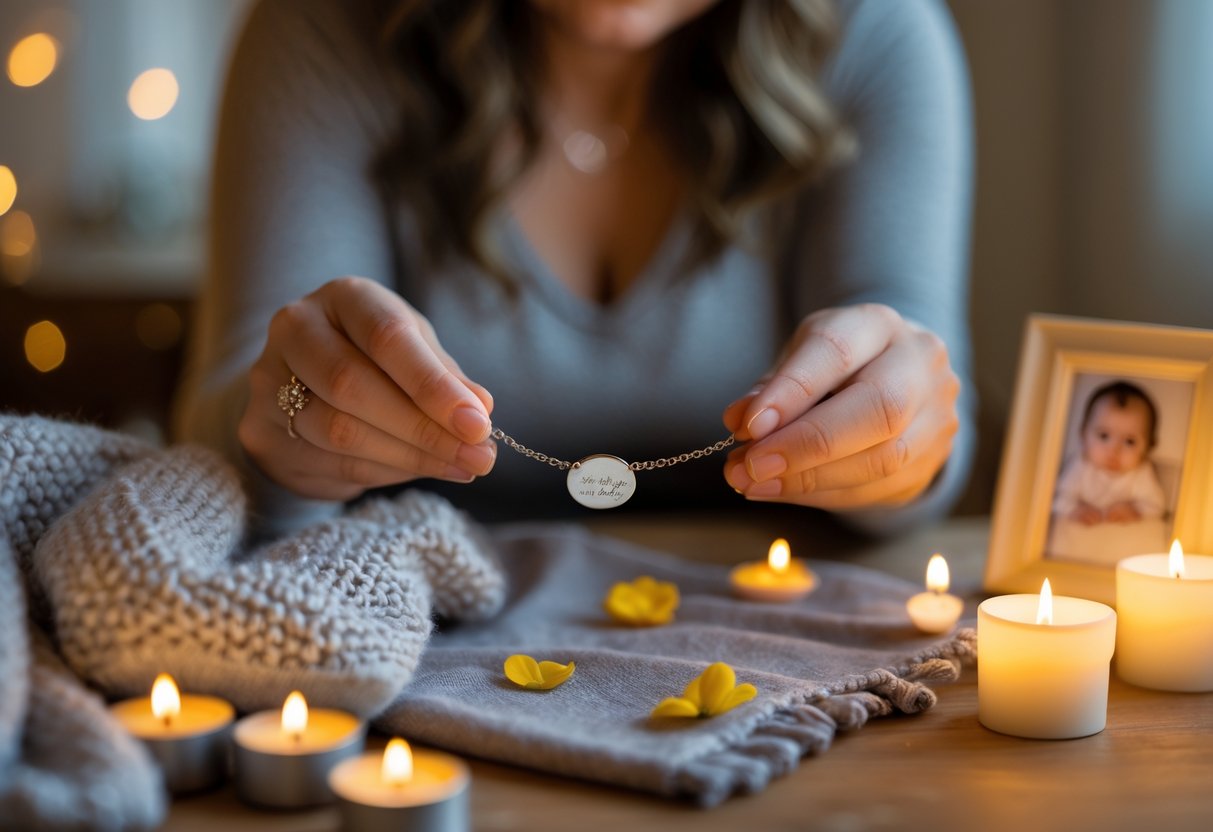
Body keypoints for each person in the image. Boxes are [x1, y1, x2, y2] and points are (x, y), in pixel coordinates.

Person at [173, 0, 974, 535]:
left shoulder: (876, 30)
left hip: (786, 656)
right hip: (417, 650)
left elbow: (923, 411)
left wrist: (905, 445)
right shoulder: (325, 27)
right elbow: (230, 425)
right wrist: (286, 417)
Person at [1052, 381, 1166, 526]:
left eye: (1129, 441)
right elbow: (1056, 498)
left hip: (1119, 539)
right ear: (1083, 435)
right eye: (1104, 436)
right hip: (1080, 534)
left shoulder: (1141, 472)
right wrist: (1074, 509)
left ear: (1148, 448)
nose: (1114, 450)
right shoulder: (1079, 465)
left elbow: (1157, 506)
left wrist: (1135, 509)